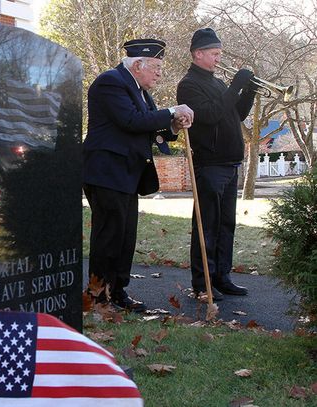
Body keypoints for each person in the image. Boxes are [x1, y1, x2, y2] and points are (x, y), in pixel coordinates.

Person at [83, 38, 194, 312]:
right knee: (108, 237)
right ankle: (98, 296)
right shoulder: (110, 82)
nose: (159, 72)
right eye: (155, 66)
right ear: (137, 65)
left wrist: (174, 125)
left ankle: (118, 292)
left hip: (126, 174)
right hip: (106, 172)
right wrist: (171, 111)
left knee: (125, 237)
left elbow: (149, 126)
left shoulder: (140, 91)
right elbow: (131, 121)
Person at [176, 28, 257, 300]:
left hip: (229, 163)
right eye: (214, 54)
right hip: (210, 165)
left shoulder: (217, 82)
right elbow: (209, 116)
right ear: (198, 54)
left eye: (219, 53)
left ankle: (222, 277)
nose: (218, 58)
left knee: (226, 225)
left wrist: (248, 92)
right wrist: (235, 86)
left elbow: (236, 114)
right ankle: (203, 283)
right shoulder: (188, 84)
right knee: (206, 225)